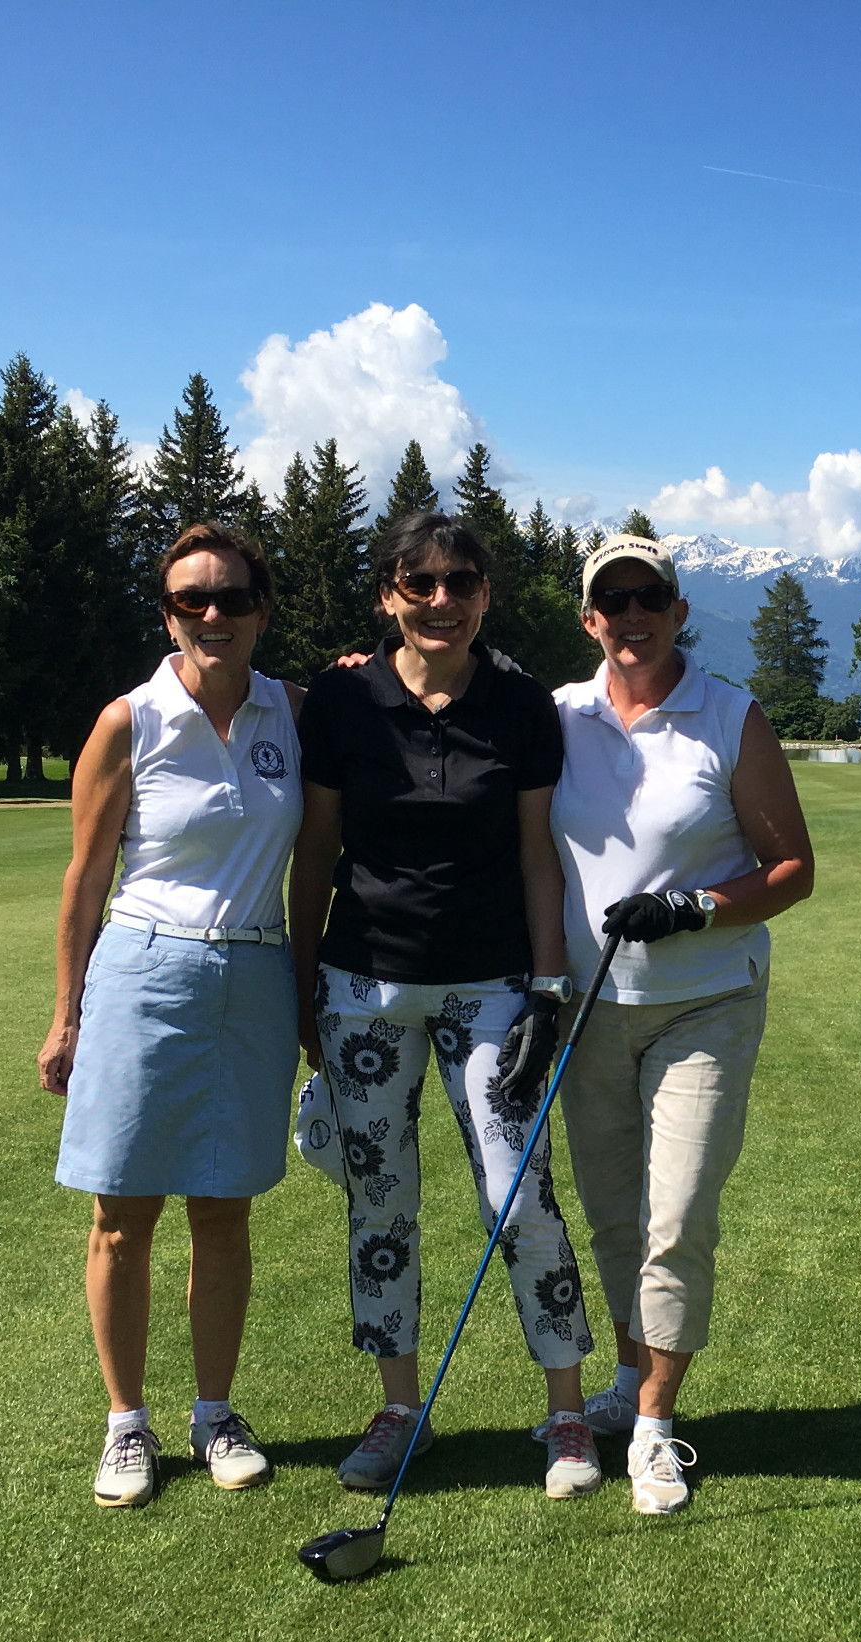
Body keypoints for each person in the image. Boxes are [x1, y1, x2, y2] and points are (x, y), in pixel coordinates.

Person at [289, 511, 602, 1502]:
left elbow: (536, 853)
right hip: (361, 986)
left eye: (460, 581)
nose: (440, 600)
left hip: (491, 986)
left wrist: (548, 986)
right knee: (380, 1203)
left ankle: (565, 1411)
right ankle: (398, 1409)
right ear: (388, 593)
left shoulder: (519, 702)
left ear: (484, 594)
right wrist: (302, 984)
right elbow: (316, 849)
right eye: (418, 583)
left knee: (519, 1196)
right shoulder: (341, 697)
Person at [549, 533, 815, 1514]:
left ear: (678, 610)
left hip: (706, 1001)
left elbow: (792, 869)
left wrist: (693, 906)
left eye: (648, 596)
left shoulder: (728, 716)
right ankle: (629, 1379)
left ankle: (655, 1425)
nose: (632, 614)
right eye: (612, 600)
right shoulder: (558, 715)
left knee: (678, 1215)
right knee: (615, 1216)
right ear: (590, 619)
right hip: (589, 1008)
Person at [41, 522, 303, 1509]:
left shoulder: (294, 710)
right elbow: (84, 877)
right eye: (191, 599)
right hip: (144, 974)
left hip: (257, 974)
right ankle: (125, 1424)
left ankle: (214, 1412)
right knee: (123, 1213)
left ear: (261, 612)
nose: (211, 614)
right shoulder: (130, 720)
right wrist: (65, 1016)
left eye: (232, 597)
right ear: (167, 615)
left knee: (224, 1210)